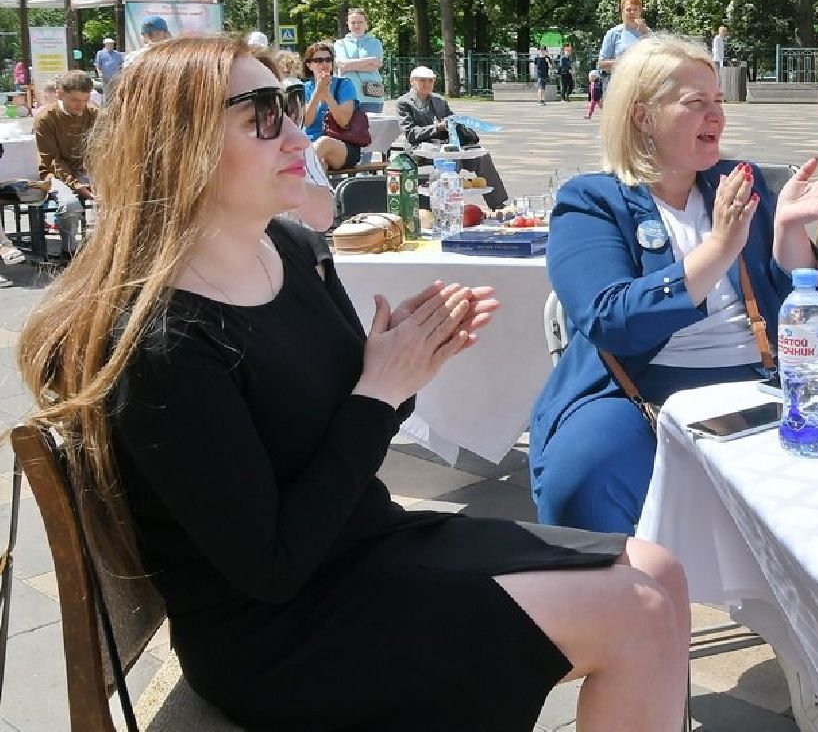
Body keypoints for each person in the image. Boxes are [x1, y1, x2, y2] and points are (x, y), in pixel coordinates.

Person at [16, 36, 692, 729]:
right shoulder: (164, 342)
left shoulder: (292, 249)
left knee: (659, 570)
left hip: (367, 547)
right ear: (182, 145)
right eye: (263, 114)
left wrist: (403, 366)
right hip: (278, 631)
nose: (295, 131)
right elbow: (272, 566)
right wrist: (377, 393)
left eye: (287, 104)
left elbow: (347, 428)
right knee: (634, 614)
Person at [528, 34, 818, 533]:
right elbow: (613, 321)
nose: (716, 116)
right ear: (642, 116)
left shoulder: (739, 184)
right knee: (584, 474)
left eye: (718, 101)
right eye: (696, 103)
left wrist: (788, 228)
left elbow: (794, 310)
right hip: (635, 387)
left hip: (755, 380)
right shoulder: (591, 201)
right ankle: (606, 605)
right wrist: (718, 249)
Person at [397, 66, 510, 208]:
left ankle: (498, 203)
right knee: (449, 157)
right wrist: (436, 128)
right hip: (420, 149)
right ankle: (449, 206)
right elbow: (411, 133)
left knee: (481, 157)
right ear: (412, 82)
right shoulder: (404, 103)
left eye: (430, 81)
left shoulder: (439, 101)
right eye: (422, 81)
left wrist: (455, 124)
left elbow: (452, 122)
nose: (427, 84)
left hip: (445, 145)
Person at [34, 70, 98, 255]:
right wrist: (76, 184)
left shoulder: (94, 113)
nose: (81, 106)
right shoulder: (46, 118)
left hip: (86, 168)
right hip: (54, 173)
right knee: (70, 205)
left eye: (85, 100)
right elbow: (52, 160)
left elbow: (102, 148)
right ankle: (69, 251)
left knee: (117, 197)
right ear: (60, 94)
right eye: (75, 100)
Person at [299, 40, 364, 172]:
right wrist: (317, 92)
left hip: (342, 145)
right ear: (309, 65)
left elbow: (343, 121)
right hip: (310, 145)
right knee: (320, 165)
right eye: (319, 60)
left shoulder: (344, 85)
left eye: (328, 60)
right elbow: (306, 122)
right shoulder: (303, 89)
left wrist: (327, 95)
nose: (324, 64)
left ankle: (299, 176)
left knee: (324, 142)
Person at [333, 7, 387, 115]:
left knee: (373, 129)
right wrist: (370, 60)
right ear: (348, 24)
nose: (357, 26)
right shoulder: (340, 44)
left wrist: (350, 65)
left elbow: (376, 65)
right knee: (348, 130)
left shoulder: (375, 43)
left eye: (360, 22)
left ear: (366, 24)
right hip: (347, 95)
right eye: (353, 22)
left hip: (372, 95)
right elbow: (342, 64)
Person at [597, 0, 650, 86]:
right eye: (628, 10)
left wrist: (645, 34)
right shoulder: (613, 33)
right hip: (620, 85)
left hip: (643, 84)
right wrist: (625, 62)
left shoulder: (648, 33)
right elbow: (601, 64)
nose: (632, 12)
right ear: (623, 12)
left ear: (640, 12)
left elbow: (654, 60)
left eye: (635, 10)